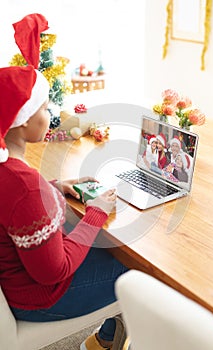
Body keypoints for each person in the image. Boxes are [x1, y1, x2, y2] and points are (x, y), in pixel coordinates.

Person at [0, 65, 128, 350]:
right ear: (22, 120)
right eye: (44, 109)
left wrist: (54, 187)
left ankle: (104, 340)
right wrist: (96, 213)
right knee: (139, 271)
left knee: (103, 246)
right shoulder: (25, 186)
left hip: (17, 281)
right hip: (39, 298)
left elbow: (14, 201)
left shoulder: (9, 169)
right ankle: (112, 341)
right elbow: (56, 271)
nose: (51, 114)